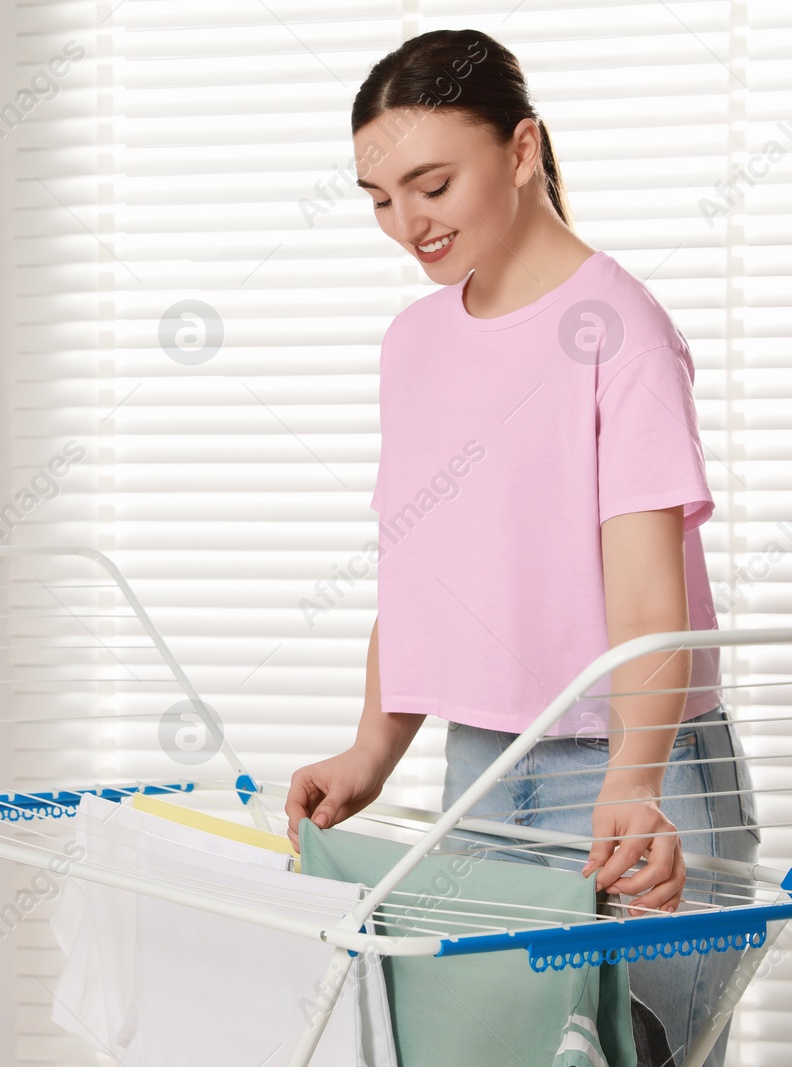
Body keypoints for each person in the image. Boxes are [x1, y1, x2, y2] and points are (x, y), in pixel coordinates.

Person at [283, 28, 760, 1067]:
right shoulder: (412, 344)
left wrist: (631, 779)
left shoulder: (619, 329)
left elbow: (646, 595)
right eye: (377, 197)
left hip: (646, 772)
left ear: (521, 148)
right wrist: (373, 747)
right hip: (481, 767)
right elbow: (421, 569)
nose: (405, 223)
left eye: (430, 183)